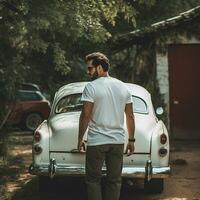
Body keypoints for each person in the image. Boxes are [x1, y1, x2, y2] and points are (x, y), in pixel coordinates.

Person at [77, 52, 135, 200]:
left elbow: (85, 115)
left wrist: (80, 139)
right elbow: (130, 116)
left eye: (90, 68)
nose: (88, 72)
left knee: (92, 180)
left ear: (100, 68)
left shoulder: (91, 87)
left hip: (97, 142)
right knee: (114, 181)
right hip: (117, 142)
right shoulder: (123, 87)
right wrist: (131, 140)